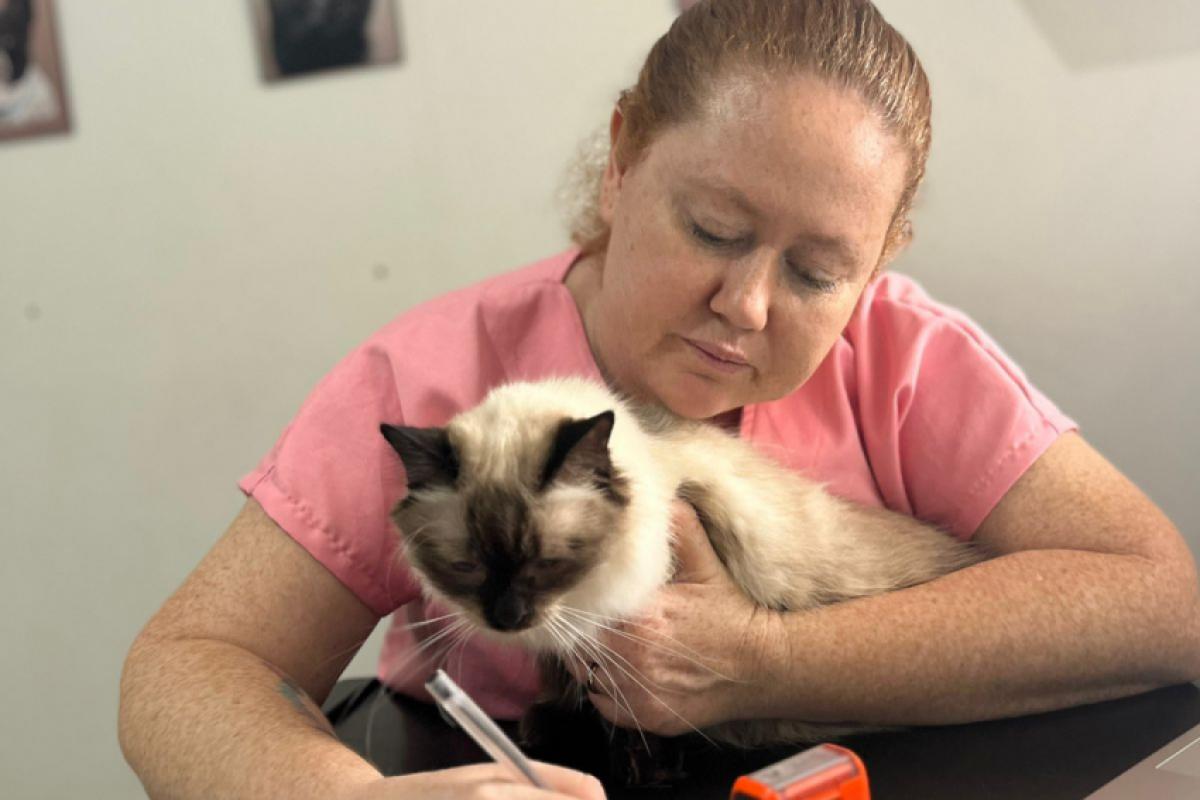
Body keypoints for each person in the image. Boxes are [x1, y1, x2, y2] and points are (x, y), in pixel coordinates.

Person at [118, 1, 1200, 797]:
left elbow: (1165, 603)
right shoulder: (430, 382)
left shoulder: (903, 353)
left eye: (819, 272)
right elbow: (187, 666)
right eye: (714, 230)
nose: (747, 305)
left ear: (881, 260)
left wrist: (764, 662)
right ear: (623, 159)